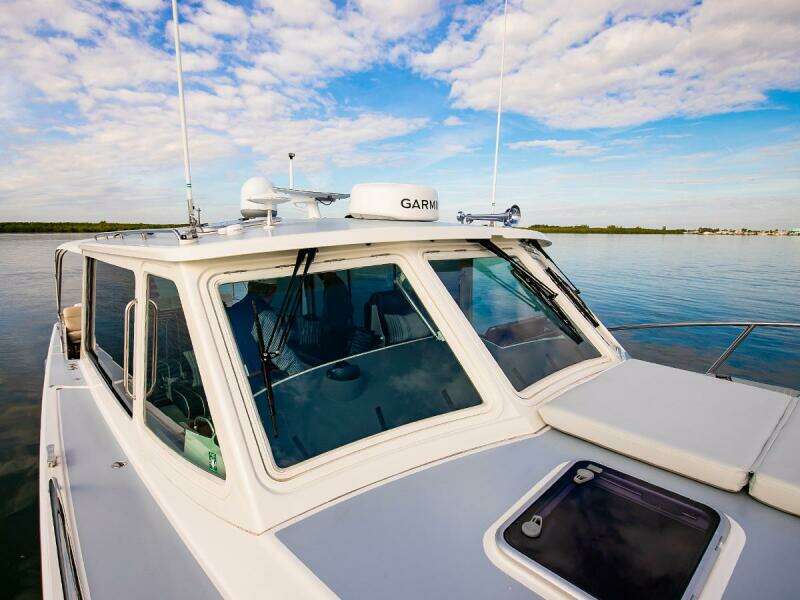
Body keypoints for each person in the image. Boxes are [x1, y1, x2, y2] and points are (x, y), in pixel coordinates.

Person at [226, 280, 307, 381]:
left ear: (250, 287)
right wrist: (305, 378)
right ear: (272, 291)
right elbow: (281, 357)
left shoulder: (232, 310)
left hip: (235, 377)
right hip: (256, 382)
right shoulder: (263, 314)